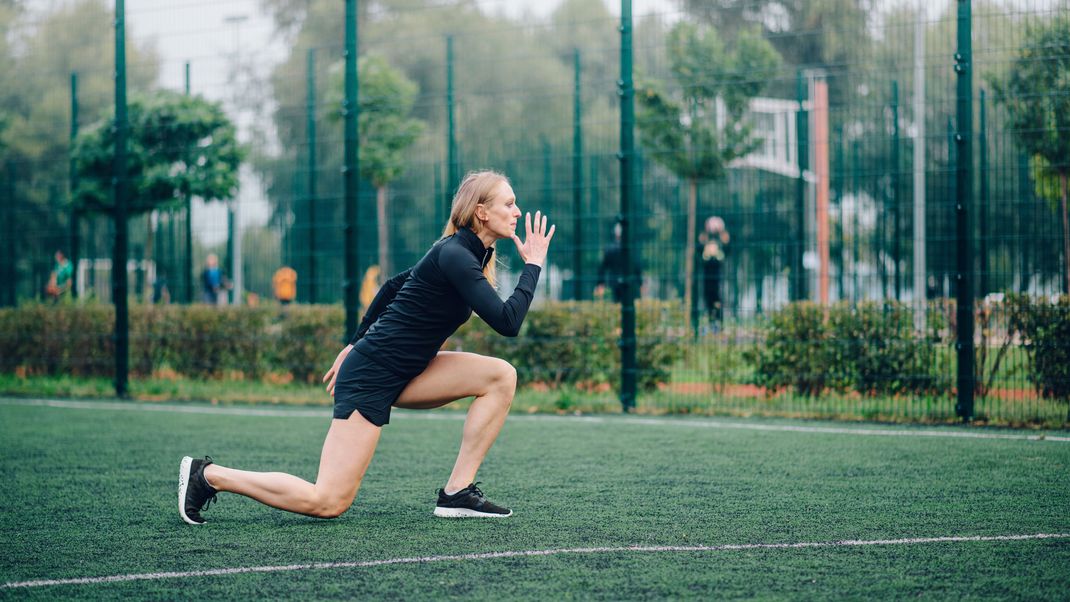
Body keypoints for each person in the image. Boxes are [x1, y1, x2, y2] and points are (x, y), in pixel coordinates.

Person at [178, 170, 555, 524]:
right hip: (372, 375)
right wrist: (533, 265)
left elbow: (391, 285)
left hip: (409, 370)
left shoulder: (465, 254)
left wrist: (354, 343)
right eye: (509, 204)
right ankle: (210, 475)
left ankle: (456, 493)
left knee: (501, 376)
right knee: (328, 501)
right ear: (481, 212)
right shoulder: (455, 254)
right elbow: (508, 322)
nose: (518, 211)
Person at [594, 221, 640, 303]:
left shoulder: (609, 249)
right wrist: (640, 282)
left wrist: (600, 282)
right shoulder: (631, 248)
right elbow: (636, 266)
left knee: (615, 304)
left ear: (615, 234)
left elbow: (602, 267)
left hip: (614, 282)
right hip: (628, 282)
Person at [699, 216, 730, 326]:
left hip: (718, 274)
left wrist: (721, 230)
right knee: (707, 298)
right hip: (707, 275)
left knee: (718, 299)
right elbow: (700, 244)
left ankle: (719, 323)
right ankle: (711, 323)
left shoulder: (721, 242)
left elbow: (727, 244)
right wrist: (706, 230)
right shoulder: (706, 240)